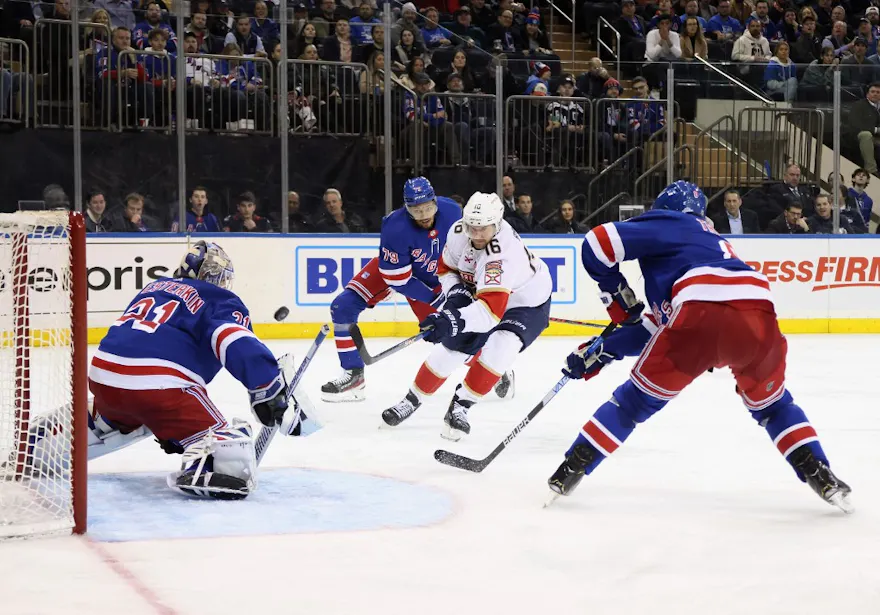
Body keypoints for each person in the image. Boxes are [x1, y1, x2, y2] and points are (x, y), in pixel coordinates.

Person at [547, 181, 852, 513]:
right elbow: (660, 326)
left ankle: (573, 466)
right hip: (757, 310)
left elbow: (596, 243)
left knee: (632, 404)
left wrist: (616, 293)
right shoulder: (709, 242)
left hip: (699, 310)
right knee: (774, 405)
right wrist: (605, 348)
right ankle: (819, 471)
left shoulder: (673, 221)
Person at [85, 241, 310, 499]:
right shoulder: (217, 297)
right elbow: (232, 338)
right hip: (159, 386)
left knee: (124, 409)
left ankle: (85, 427)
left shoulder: (153, 288)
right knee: (233, 454)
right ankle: (208, 460)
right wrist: (267, 386)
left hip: (103, 377)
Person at [382, 192, 552, 440]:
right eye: (472, 227)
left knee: (501, 347)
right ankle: (412, 399)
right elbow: (447, 269)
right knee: (453, 346)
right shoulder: (459, 231)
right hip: (486, 295)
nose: (476, 234)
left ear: (498, 222)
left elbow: (490, 314)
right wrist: (456, 295)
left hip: (526, 302)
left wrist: (451, 321)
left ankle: (461, 407)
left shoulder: (502, 255)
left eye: (483, 228)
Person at [322, 178, 462, 401]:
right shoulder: (395, 227)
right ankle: (353, 375)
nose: (424, 215)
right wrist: (433, 299)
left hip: (438, 278)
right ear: (407, 209)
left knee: (451, 332)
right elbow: (397, 279)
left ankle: (494, 371)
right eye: (417, 211)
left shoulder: (454, 212)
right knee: (342, 306)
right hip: (401, 273)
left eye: (428, 208)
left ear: (435, 201)